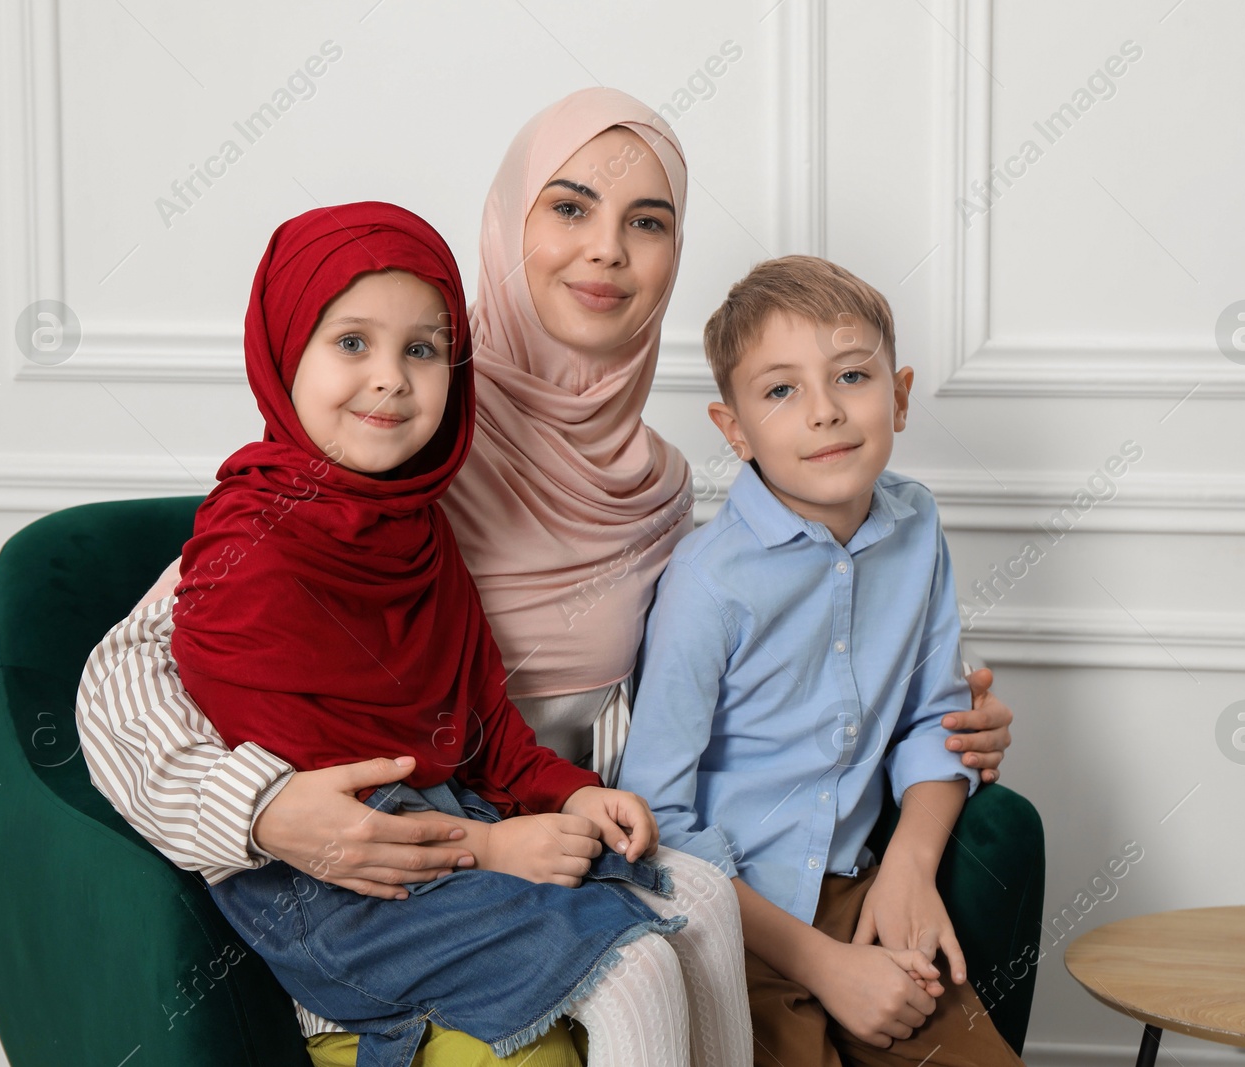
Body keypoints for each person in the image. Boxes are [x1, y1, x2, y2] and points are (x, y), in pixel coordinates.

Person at [77, 88, 1009, 1067]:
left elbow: (752, 670)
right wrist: (264, 810)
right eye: (567, 207)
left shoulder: (666, 487)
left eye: (646, 222)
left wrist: (943, 727)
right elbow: (129, 672)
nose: (606, 248)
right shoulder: (399, 449)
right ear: (505, 225)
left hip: (591, 839)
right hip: (405, 868)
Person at [159, 198, 707, 1066]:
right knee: (633, 964)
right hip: (336, 890)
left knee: (701, 907)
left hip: (440, 833)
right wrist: (491, 845)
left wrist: (569, 792)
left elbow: (482, 722)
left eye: (421, 349)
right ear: (283, 350)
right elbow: (335, 802)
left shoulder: (417, 527)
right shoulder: (249, 549)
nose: (391, 377)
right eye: (351, 343)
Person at [617, 255, 1026, 1067]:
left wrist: (908, 864)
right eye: (780, 390)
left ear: (900, 394)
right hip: (731, 918)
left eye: (851, 375)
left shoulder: (916, 528)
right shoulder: (708, 582)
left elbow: (930, 717)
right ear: (733, 430)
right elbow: (657, 816)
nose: (826, 412)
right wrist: (822, 964)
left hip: (862, 888)